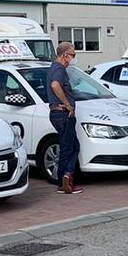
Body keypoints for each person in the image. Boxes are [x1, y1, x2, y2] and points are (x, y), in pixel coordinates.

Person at [47, 41, 83, 194]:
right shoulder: (59, 69)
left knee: (69, 145)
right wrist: (68, 105)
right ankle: (67, 178)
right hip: (62, 113)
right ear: (65, 55)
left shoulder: (53, 68)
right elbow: (55, 85)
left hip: (58, 113)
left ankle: (64, 180)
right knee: (71, 147)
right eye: (73, 55)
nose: (74, 58)